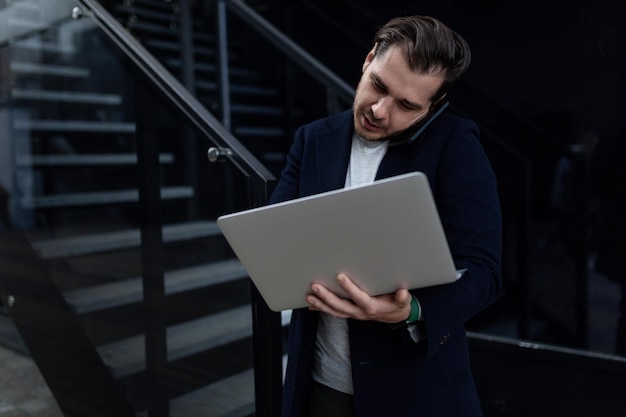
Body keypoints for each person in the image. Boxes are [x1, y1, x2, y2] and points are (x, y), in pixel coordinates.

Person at [269, 15, 502, 417]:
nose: (378, 110)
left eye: (407, 105)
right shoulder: (313, 139)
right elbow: (275, 235)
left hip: (415, 390)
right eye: (379, 85)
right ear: (369, 58)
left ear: (435, 105)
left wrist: (411, 310)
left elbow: (485, 273)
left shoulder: (456, 145)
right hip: (322, 383)